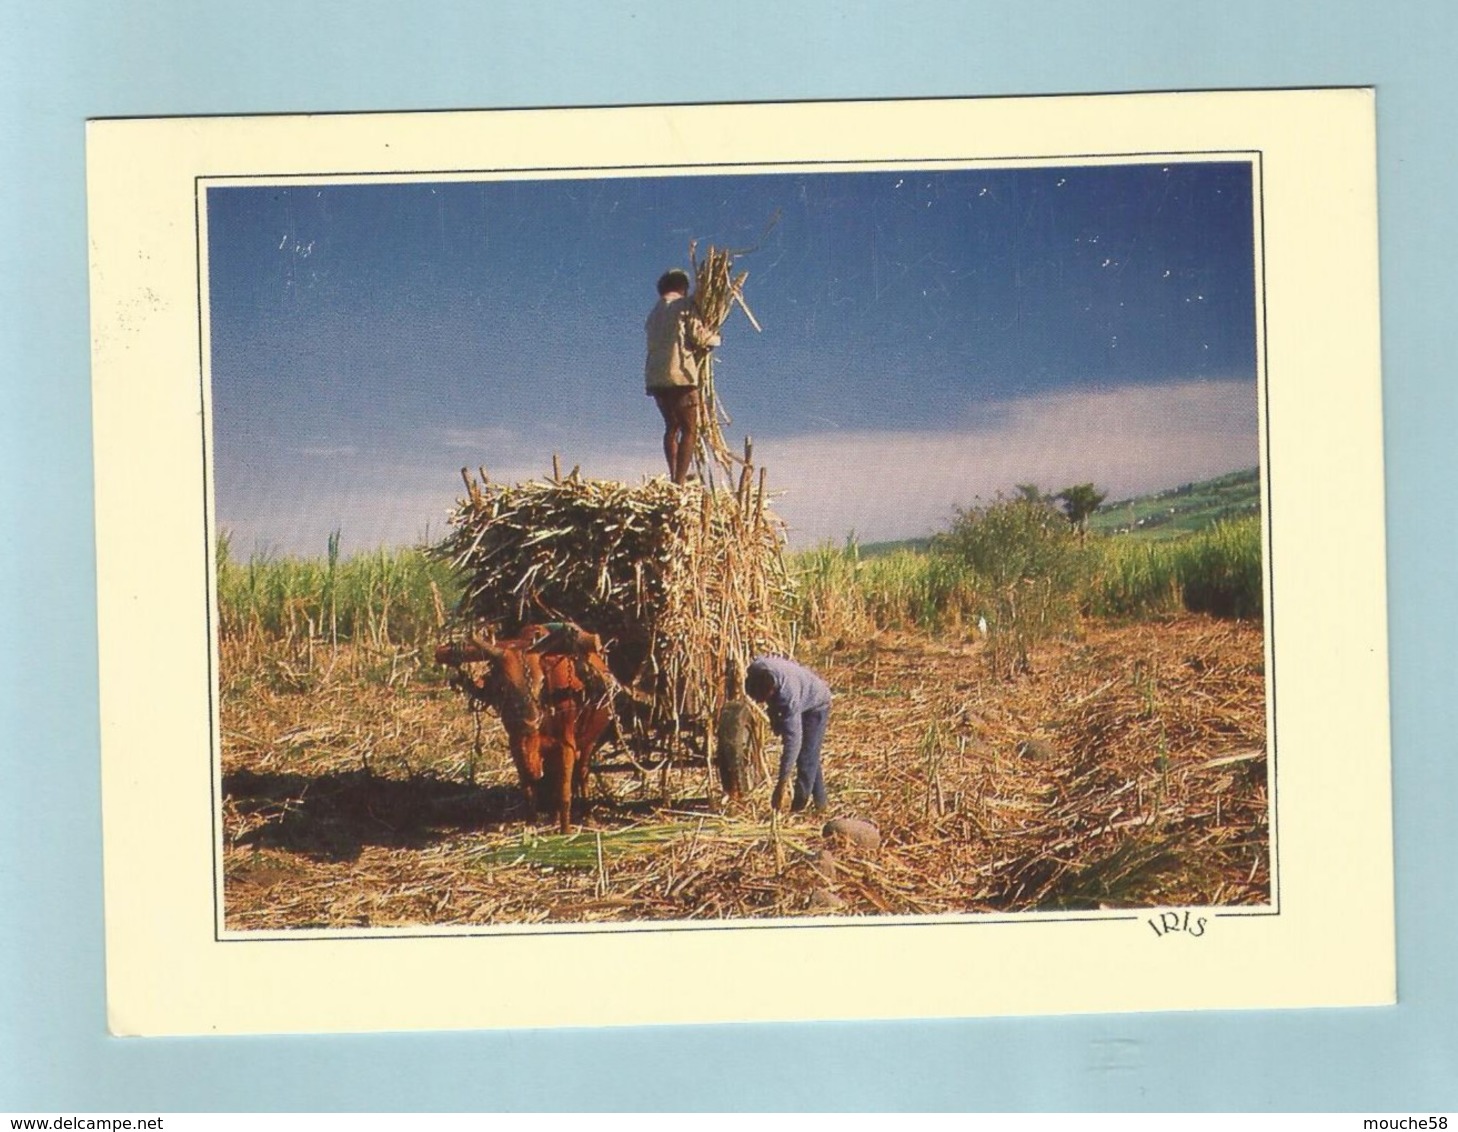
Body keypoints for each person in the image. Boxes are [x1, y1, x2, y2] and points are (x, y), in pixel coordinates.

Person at [644, 268, 720, 485]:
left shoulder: (654, 313)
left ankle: (675, 474)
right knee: (689, 429)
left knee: (672, 426)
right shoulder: (685, 306)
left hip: (656, 377)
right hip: (680, 375)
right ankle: (679, 482)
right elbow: (699, 337)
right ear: (683, 287)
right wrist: (715, 338)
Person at [744, 655, 832, 814]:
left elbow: (793, 744)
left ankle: (798, 805)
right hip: (801, 688)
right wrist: (774, 720)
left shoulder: (788, 697)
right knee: (810, 754)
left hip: (817, 703)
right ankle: (821, 804)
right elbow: (770, 704)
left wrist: (781, 785)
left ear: (772, 691)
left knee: (805, 757)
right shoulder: (756, 669)